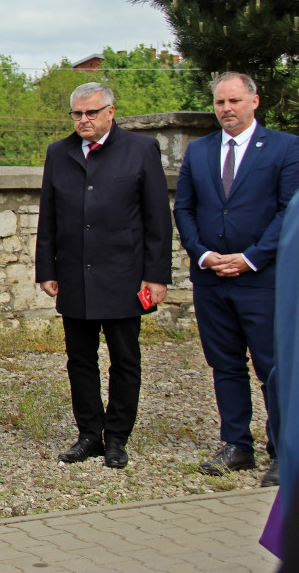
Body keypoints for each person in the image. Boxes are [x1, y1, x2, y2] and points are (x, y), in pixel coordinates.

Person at [36, 82, 172, 469]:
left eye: (91, 113)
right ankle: (89, 434)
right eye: (77, 114)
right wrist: (46, 268)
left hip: (124, 277)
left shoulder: (140, 150)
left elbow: (157, 219)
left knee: (124, 360)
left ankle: (117, 437)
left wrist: (156, 276)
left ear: (110, 112)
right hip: (75, 275)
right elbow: (49, 216)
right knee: (79, 360)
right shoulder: (59, 153)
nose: (83, 120)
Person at [174, 71, 299, 485]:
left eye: (234, 102)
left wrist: (250, 258)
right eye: (220, 103)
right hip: (212, 279)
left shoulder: (285, 148)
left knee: (274, 367)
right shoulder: (200, 151)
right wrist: (205, 255)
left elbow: (289, 211)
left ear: (254, 102)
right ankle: (236, 444)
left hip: (263, 279)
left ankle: (283, 450)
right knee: (225, 364)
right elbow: (185, 209)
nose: (226, 109)